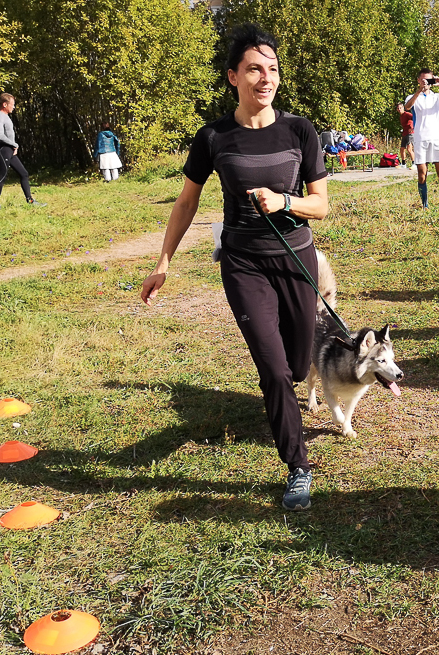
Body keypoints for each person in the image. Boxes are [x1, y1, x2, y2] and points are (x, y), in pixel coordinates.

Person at [139, 23, 329, 511]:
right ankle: (298, 468)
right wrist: (163, 263)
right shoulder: (214, 137)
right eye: (253, 70)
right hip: (244, 264)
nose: (264, 78)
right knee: (273, 368)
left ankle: (280, 403)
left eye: (271, 69)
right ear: (233, 77)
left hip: (296, 260)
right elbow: (185, 203)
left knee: (295, 356)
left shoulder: (300, 130)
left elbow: (321, 206)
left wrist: (283, 200)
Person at [404, 68, 439, 209]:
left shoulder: (437, 97)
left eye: (428, 80)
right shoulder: (412, 97)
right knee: (422, 174)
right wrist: (419, 91)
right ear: (418, 80)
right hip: (421, 139)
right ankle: (425, 206)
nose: (425, 82)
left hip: (437, 139)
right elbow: (407, 107)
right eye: (423, 80)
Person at [0, 93, 43, 209]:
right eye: (12, 104)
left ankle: (30, 200)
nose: (14, 107)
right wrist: (15, 145)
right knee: (2, 176)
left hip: (9, 150)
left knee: (24, 173)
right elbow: (0, 136)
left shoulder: (6, 116)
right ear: (5, 104)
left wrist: (13, 147)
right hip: (2, 149)